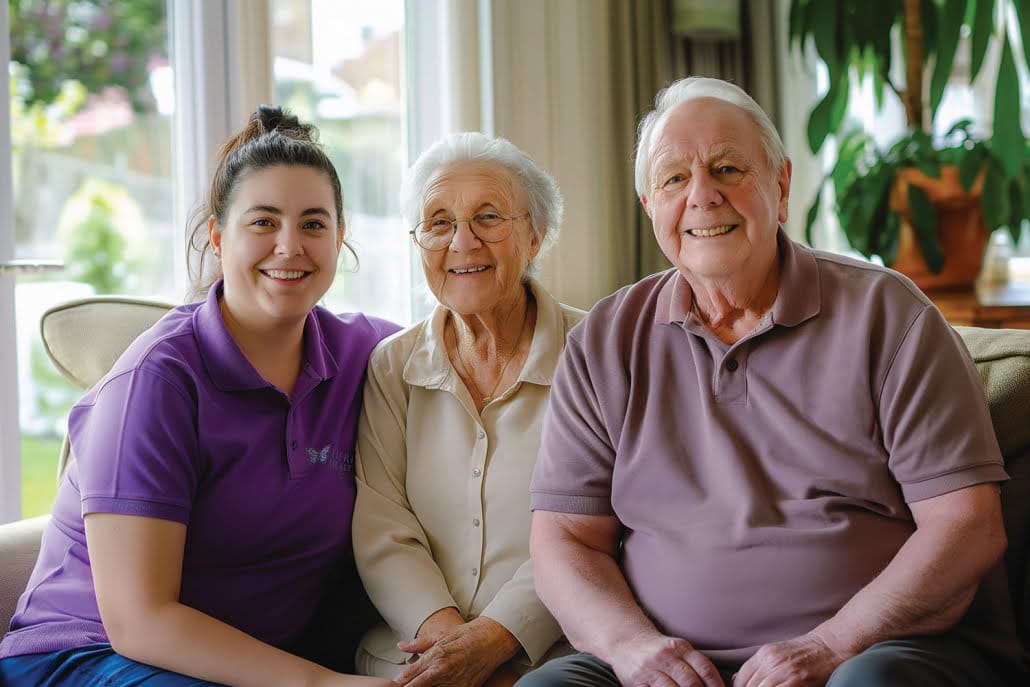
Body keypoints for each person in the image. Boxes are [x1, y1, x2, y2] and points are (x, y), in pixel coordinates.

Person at [519, 77, 1030, 687]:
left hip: (874, 653)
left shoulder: (889, 315)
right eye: (674, 179)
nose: (702, 196)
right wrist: (632, 650)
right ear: (651, 206)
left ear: (781, 187)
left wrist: (830, 646)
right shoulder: (605, 339)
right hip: (664, 666)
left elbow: (967, 525)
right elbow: (563, 541)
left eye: (727, 168)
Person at [0, 105, 399, 686]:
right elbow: (141, 621)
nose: (290, 246)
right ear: (217, 235)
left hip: (248, 662)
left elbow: (466, 351)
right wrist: (326, 684)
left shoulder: (368, 353)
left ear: (340, 239)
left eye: (314, 224)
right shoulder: (154, 383)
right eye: (263, 222)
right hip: (89, 654)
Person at [351, 132, 583, 687]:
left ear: (536, 234)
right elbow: (382, 527)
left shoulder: (595, 351)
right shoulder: (393, 365)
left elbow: (597, 522)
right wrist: (450, 644)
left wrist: (496, 638)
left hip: (554, 654)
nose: (462, 242)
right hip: (412, 652)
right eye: (438, 222)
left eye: (488, 217)